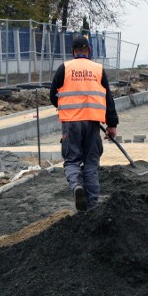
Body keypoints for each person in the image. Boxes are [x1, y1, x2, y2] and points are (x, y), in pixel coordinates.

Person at [49, 35, 119, 211]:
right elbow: (108, 99)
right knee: (91, 162)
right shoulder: (98, 70)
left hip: (71, 122)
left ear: (73, 52)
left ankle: (76, 186)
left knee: (72, 160)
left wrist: (64, 106)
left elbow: (52, 95)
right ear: (88, 50)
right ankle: (92, 205)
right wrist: (112, 125)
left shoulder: (64, 68)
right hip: (92, 122)